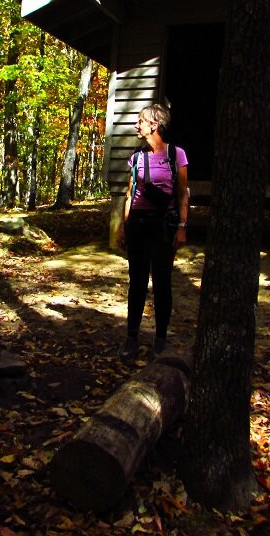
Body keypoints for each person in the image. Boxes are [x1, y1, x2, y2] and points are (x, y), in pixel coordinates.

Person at [117, 103, 189, 359]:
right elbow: (129, 193)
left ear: (154, 125)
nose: (137, 125)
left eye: (141, 121)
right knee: (136, 282)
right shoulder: (136, 157)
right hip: (138, 224)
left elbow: (182, 194)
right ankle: (131, 337)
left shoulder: (176, 155)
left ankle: (160, 338)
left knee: (161, 282)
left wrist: (181, 226)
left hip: (163, 226)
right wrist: (124, 227)